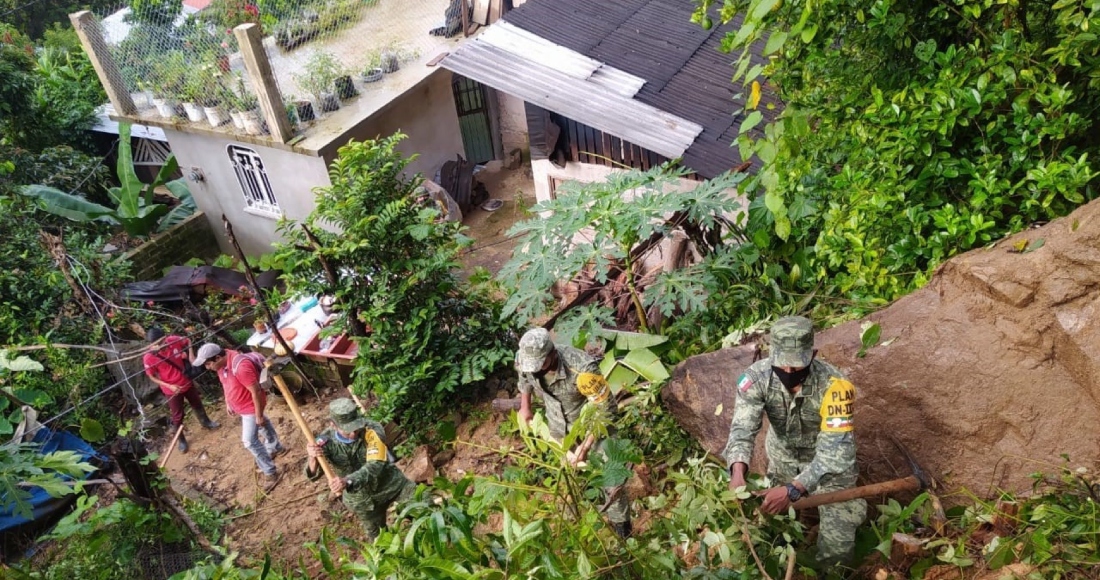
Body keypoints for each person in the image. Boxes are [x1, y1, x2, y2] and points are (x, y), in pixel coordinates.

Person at [723, 316, 866, 564]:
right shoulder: (755, 379)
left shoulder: (836, 387)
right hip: (783, 462)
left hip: (829, 471)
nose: (789, 372)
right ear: (771, 355)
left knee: (837, 548)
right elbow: (742, 430)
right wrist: (737, 472)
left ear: (812, 355)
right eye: (783, 364)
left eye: (797, 366)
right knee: (770, 532)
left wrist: (792, 490)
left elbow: (835, 455)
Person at [515, 327, 632, 538]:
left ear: (552, 354)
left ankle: (623, 530)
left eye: (539, 365)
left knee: (611, 478)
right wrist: (525, 407)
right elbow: (524, 379)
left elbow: (607, 409)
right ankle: (590, 517)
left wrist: (585, 447)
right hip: (559, 430)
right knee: (574, 477)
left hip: (593, 427)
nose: (535, 371)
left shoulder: (582, 369)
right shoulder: (526, 359)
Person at [305, 398, 415, 539]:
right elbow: (312, 475)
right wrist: (312, 457)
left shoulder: (372, 429)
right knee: (380, 541)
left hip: (392, 484)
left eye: (356, 428)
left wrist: (348, 481)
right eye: (347, 431)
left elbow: (375, 465)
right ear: (333, 425)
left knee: (423, 507)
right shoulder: (325, 442)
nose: (353, 434)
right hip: (364, 501)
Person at [192, 343, 287, 492]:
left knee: (249, 441)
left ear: (217, 357)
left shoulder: (240, 366)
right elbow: (225, 383)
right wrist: (228, 402)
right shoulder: (222, 365)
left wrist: (258, 415)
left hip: (250, 407)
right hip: (242, 407)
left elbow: (256, 391)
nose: (207, 367)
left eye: (208, 364)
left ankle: (270, 472)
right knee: (261, 425)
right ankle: (276, 447)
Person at [142, 327, 219, 453]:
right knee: (178, 415)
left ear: (165, 338)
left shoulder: (173, 340)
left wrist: (190, 355)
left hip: (186, 381)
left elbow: (187, 340)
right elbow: (152, 376)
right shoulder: (149, 357)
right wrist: (169, 386)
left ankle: (206, 422)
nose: (159, 346)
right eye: (156, 344)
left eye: (161, 342)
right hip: (172, 389)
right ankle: (181, 439)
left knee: (197, 403)